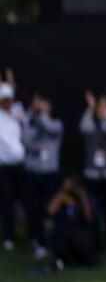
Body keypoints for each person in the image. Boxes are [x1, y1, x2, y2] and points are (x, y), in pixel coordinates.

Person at [22, 95, 63, 260]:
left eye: (43, 109)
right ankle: (39, 242)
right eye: (39, 109)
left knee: (52, 209)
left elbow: (50, 128)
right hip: (33, 174)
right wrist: (31, 115)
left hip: (50, 175)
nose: (40, 112)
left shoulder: (57, 124)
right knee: (35, 210)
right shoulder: (33, 128)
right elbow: (27, 143)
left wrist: (40, 114)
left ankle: (56, 240)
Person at [80, 92, 106, 251]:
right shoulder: (91, 125)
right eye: (100, 108)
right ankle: (94, 242)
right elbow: (83, 127)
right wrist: (90, 108)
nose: (101, 110)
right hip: (93, 176)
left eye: (105, 107)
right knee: (94, 211)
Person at [0, 83, 22, 251]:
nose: (7, 103)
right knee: (6, 203)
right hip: (5, 167)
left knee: (27, 202)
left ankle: (35, 238)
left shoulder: (18, 113)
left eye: (9, 100)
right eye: (4, 100)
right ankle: (9, 237)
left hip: (21, 165)